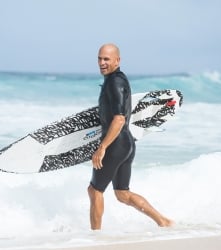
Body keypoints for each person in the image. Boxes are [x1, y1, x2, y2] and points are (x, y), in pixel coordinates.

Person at [88, 43, 173, 230]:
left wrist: (102, 147)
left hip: (115, 145)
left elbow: (118, 119)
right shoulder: (118, 79)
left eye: (106, 59)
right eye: (99, 58)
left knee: (94, 191)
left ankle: (95, 238)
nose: (102, 62)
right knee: (122, 194)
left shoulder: (114, 82)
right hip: (127, 144)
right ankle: (163, 222)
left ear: (117, 60)